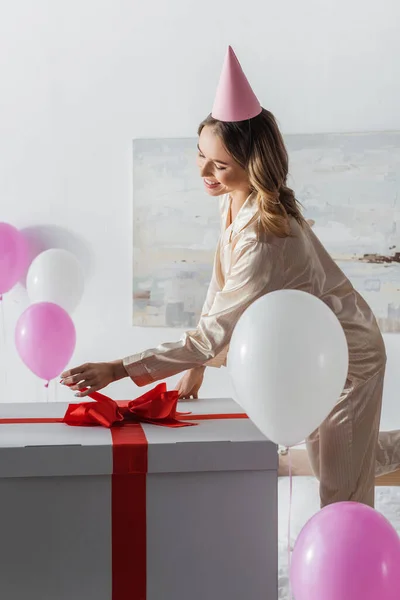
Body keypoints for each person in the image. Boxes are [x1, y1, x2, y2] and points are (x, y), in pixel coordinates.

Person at [61, 46, 400, 508]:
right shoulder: (233, 201)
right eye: (199, 154)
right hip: (308, 356)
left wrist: (119, 369)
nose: (204, 172)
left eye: (219, 165)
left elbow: (211, 337)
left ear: (251, 167)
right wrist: (196, 367)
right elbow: (219, 289)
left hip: (348, 364)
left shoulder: (265, 238)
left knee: (340, 490)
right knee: (333, 463)